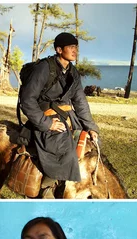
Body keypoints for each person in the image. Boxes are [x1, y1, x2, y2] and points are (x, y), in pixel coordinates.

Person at [20, 32, 99, 198]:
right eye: (71, 47)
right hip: (45, 115)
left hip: (67, 114)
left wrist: (91, 127)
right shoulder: (44, 68)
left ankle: (78, 185)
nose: (75, 50)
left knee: (90, 143)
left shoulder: (73, 72)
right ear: (59, 49)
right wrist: (47, 124)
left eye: (76, 47)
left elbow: (80, 101)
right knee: (62, 144)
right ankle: (46, 187)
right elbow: (27, 100)